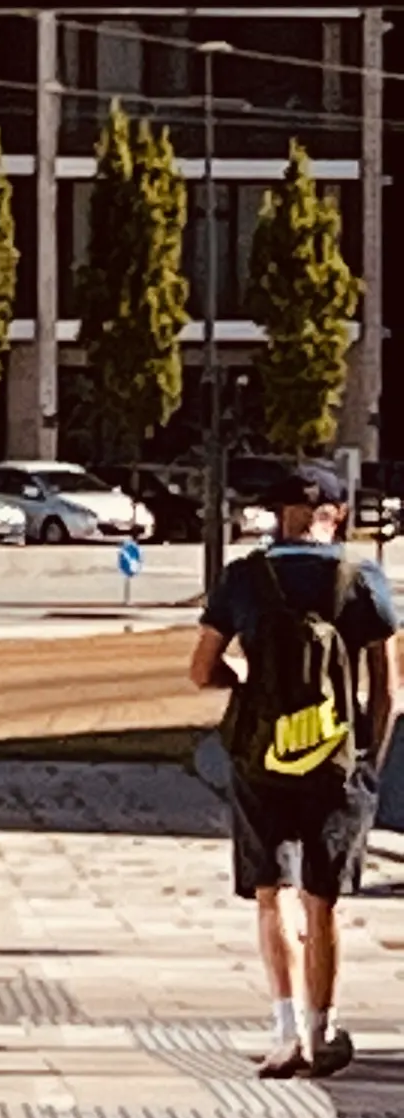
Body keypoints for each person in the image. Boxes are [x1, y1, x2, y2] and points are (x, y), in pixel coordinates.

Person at [192, 461, 395, 1080]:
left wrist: (248, 689)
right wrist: (367, 764)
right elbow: (389, 691)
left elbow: (201, 669)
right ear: (334, 516)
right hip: (335, 761)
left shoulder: (244, 579)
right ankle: (322, 1027)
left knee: (269, 891)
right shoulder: (361, 578)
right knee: (322, 900)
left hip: (262, 757)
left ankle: (281, 1029)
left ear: (280, 515)